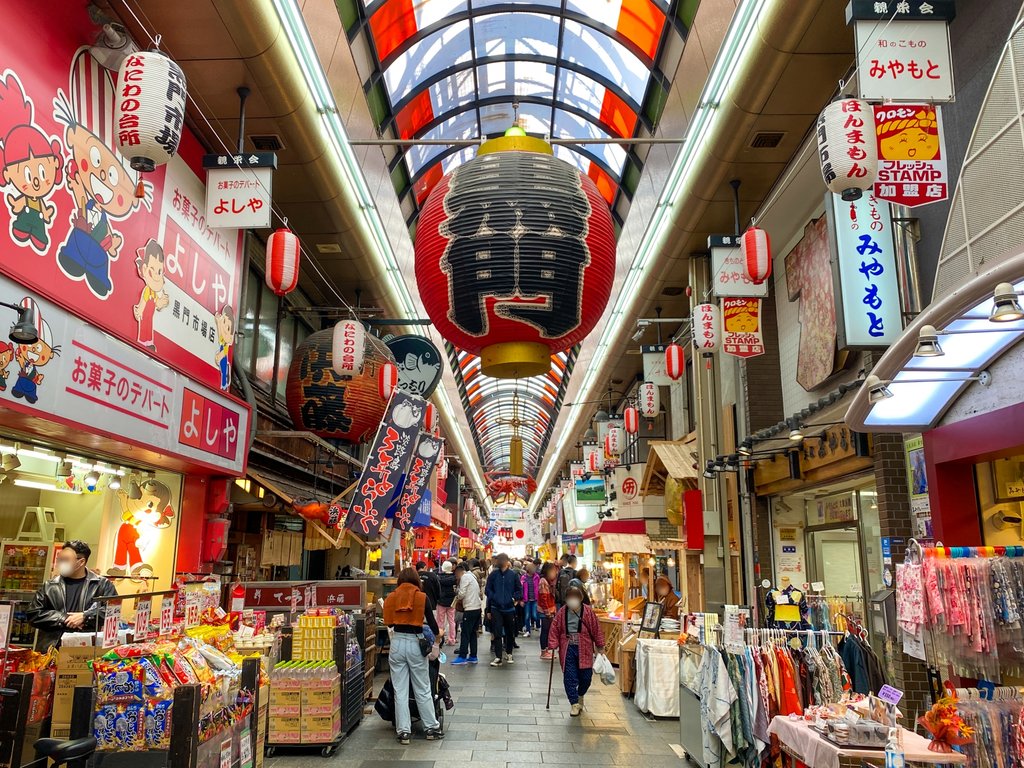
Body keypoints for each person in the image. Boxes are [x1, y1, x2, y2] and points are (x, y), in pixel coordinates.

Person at [383, 568, 445, 745]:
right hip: (415, 643)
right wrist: (438, 635)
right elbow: (432, 624)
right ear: (417, 580)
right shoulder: (422, 597)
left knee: (400, 690)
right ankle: (431, 728)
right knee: (422, 687)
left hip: (397, 643)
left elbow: (389, 622)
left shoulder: (391, 597)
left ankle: (404, 732)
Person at [27, 540, 117, 650]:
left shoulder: (102, 584)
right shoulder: (50, 586)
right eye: (59, 559)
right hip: (52, 648)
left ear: (81, 562)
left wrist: (86, 616)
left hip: (86, 649)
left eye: (65, 560)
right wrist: (64, 618)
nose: (60, 563)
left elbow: (113, 611)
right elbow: (33, 614)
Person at [547, 585, 605, 717]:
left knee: (586, 677)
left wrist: (600, 646)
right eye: (570, 597)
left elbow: (596, 629)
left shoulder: (588, 612)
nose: (572, 600)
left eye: (575, 597)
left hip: (584, 647)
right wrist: (553, 643)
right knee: (569, 676)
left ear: (580, 598)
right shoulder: (562, 612)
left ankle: (580, 695)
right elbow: (555, 628)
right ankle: (574, 703)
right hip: (567, 648)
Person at [484, 553, 522, 666]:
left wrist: (514, 598)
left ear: (506, 561)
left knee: (510, 632)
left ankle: (509, 653)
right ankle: (498, 656)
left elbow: (519, 589)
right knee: (497, 633)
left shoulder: (513, 575)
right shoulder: (493, 575)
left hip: (509, 608)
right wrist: (492, 601)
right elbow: (488, 590)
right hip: (496, 608)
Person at [450, 562, 481, 665]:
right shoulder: (472, 577)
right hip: (477, 608)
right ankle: (473, 656)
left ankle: (462, 656)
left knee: (465, 633)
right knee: (472, 633)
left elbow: (461, 594)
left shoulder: (465, 577)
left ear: (459, 572)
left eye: (456, 575)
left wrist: (457, 591)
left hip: (470, 608)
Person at [537, 562, 558, 660]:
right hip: (545, 611)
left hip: (550, 610)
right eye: (553, 571)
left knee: (548, 630)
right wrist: (547, 612)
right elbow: (543, 598)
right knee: (545, 631)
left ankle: (546, 650)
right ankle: (543, 651)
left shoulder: (550, 582)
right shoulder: (543, 581)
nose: (555, 573)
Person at [436, 560, 458, 646]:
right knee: (451, 621)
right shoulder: (454, 578)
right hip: (451, 602)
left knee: (440, 621)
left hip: (441, 601)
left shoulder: (439, 578)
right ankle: (452, 639)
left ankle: (440, 639)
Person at [521, 561, 541, 637]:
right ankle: (528, 630)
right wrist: (522, 599)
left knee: (535, 615)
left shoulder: (537, 577)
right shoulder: (523, 578)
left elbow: (539, 587)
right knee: (527, 616)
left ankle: (538, 626)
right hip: (527, 599)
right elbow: (521, 588)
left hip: (535, 599)